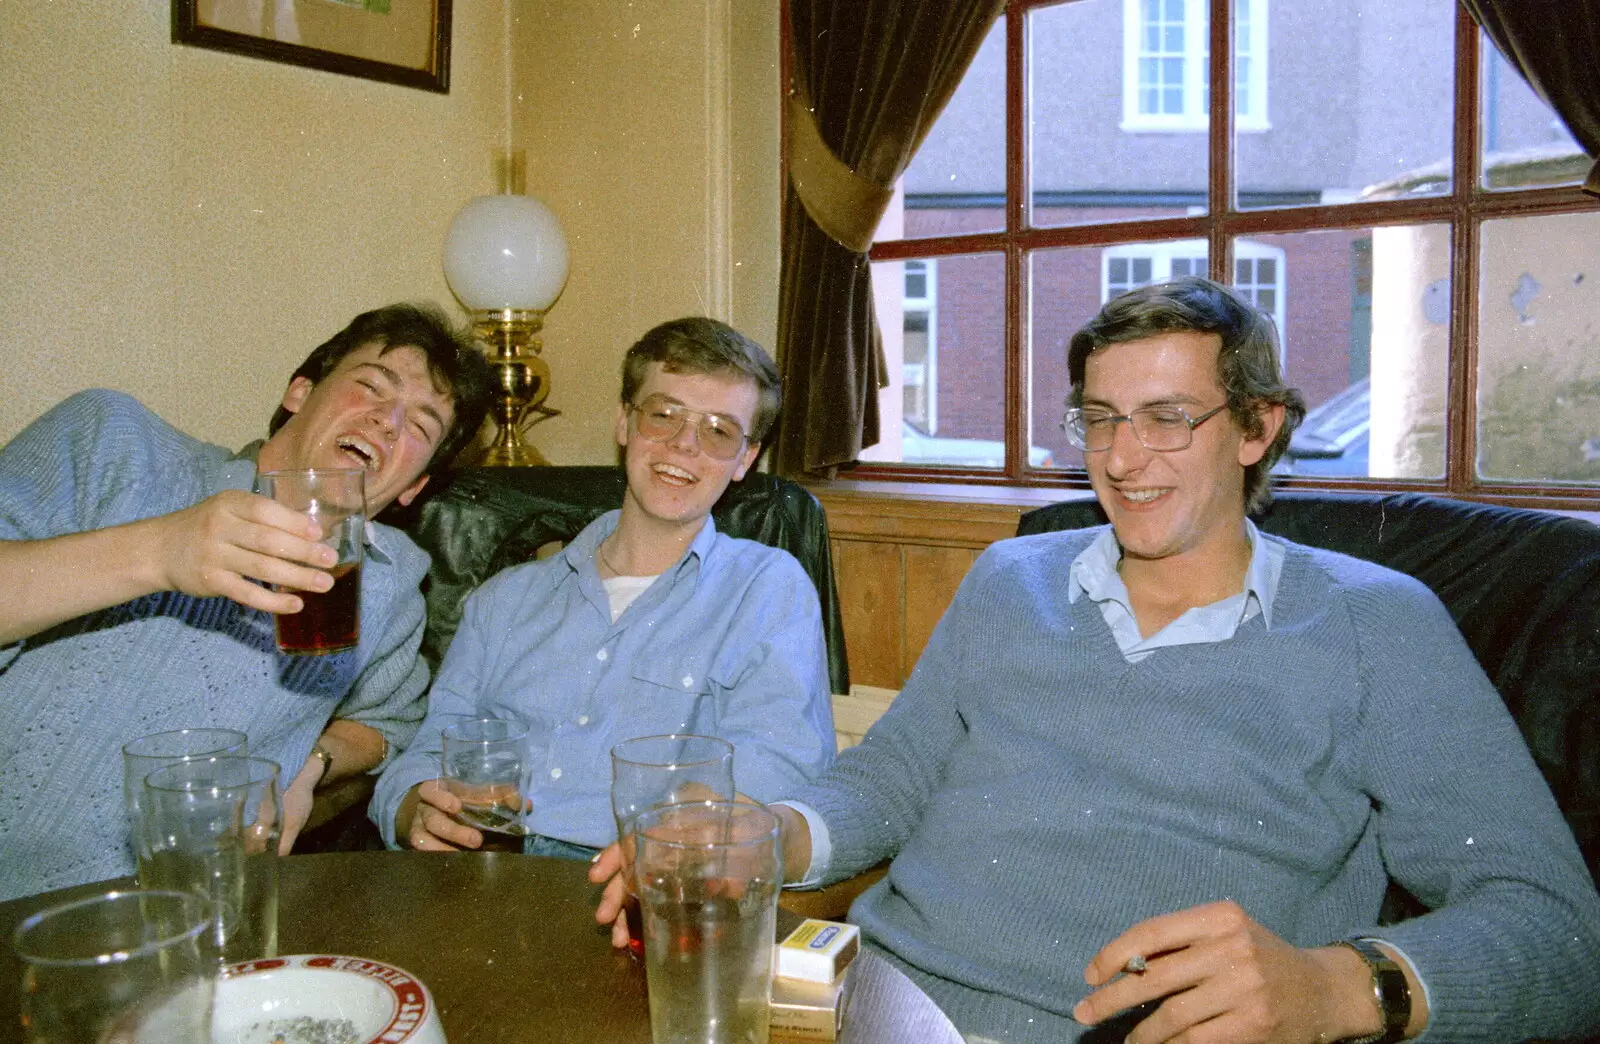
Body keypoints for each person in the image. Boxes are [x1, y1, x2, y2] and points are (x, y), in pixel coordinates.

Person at [594, 278, 1600, 1043]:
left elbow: (1561, 931)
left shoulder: (1374, 624)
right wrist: (767, 831)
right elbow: (892, 778)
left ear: (1257, 428)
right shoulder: (1011, 577)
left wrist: (1338, 984)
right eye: (1100, 419)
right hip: (887, 1010)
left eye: (1168, 418)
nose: (1121, 460)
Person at [0, 303, 494, 901]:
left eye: (421, 427)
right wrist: (161, 549)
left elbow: (389, 721)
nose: (388, 422)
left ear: (413, 486)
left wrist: (310, 765)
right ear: (299, 391)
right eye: (370, 386)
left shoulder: (388, 586)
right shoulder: (116, 442)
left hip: (174, 919)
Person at [371, 316, 835, 857]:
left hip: (648, 886)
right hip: (488, 876)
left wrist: (696, 823)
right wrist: (414, 808)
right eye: (664, 415)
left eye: (718, 431)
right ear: (623, 423)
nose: (685, 445)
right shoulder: (504, 601)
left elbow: (782, 763)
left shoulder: (766, 590)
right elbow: (430, 750)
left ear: (745, 460)